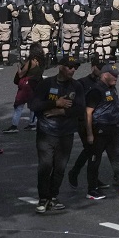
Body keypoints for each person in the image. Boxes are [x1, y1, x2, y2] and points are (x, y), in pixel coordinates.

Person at [71, 63, 119, 199]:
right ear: (105, 75)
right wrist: (89, 134)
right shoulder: (96, 91)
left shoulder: (112, 88)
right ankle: (92, 189)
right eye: (114, 75)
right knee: (95, 160)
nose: (116, 78)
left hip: (113, 129)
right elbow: (88, 113)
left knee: (117, 158)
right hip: (99, 129)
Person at [30, 54, 82, 213]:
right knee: (45, 166)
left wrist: (60, 111)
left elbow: (80, 109)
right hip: (46, 131)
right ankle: (43, 198)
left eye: (75, 67)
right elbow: (33, 104)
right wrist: (54, 103)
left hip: (66, 132)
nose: (72, 70)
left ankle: (53, 196)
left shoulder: (76, 86)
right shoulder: (46, 84)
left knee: (60, 167)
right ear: (61, 67)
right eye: (69, 66)